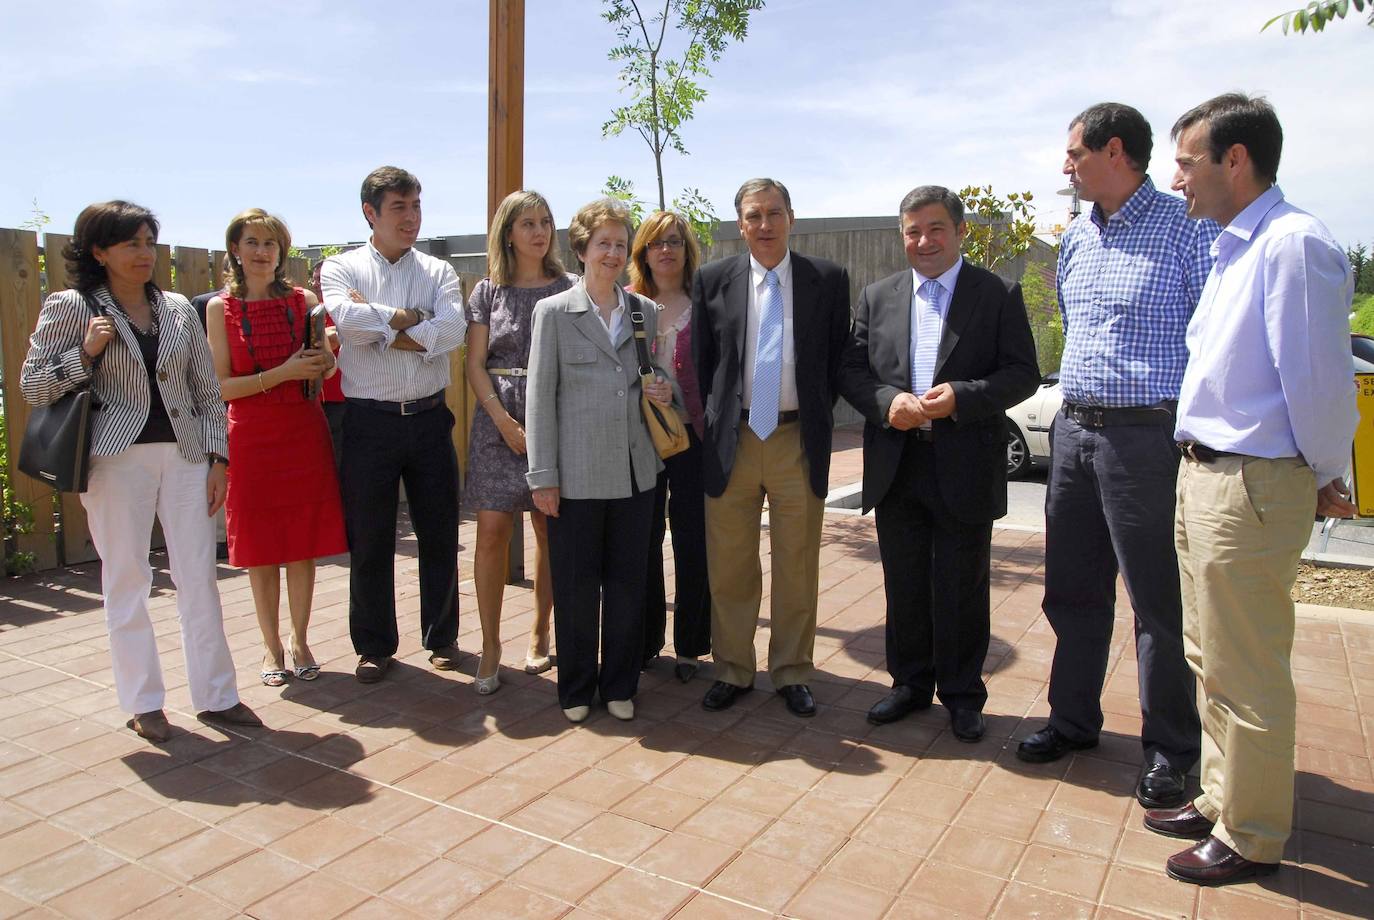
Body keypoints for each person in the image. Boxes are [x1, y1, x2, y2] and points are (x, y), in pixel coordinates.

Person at [1140, 93, 1358, 885]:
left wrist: (1327, 468)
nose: (1177, 179)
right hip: (1204, 477)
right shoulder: (1236, 247)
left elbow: (1319, 380)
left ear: (1237, 160)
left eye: (1187, 161)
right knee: (1210, 655)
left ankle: (1253, 832)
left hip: (1251, 484)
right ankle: (1222, 795)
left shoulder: (1292, 246)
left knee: (1249, 666)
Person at [1017, 104, 1216, 812]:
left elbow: (1210, 335)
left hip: (1146, 438)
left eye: (1074, 153)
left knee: (1157, 603)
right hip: (1074, 433)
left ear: (1114, 150)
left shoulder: (1188, 229)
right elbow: (1077, 330)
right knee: (1071, 590)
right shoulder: (1076, 238)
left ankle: (1170, 750)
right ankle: (1072, 721)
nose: (1064, 165)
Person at [19, 200, 260, 742]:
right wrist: (85, 352)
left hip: (184, 455)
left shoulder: (176, 307)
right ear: (98, 250)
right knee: (127, 576)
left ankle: (217, 696)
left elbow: (204, 389)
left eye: (150, 242)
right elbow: (33, 385)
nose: (145, 254)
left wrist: (219, 458)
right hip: (113, 458)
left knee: (199, 574)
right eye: (131, 244)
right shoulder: (71, 306)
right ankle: (143, 701)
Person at [838, 186, 1039, 742]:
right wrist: (886, 403)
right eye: (912, 231)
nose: (923, 241)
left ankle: (963, 695)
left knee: (962, 585)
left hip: (964, 461)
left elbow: (1022, 372)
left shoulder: (996, 293)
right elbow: (852, 371)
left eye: (935, 229)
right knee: (903, 583)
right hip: (897, 464)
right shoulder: (878, 296)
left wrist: (963, 397)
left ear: (959, 232)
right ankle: (908, 684)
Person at [692, 178, 851, 718]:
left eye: (774, 213)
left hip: (795, 439)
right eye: (754, 215)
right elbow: (706, 363)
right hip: (732, 440)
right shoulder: (712, 280)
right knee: (730, 564)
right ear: (740, 223)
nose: (764, 225)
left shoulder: (827, 280)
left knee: (796, 562)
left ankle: (791, 672)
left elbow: (832, 363)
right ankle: (733, 668)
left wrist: (805, 414)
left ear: (791, 217)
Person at [525, 198, 675, 723]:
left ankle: (620, 684)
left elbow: (658, 378)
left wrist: (663, 389)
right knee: (575, 586)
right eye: (603, 243)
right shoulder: (554, 313)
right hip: (575, 477)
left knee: (630, 583)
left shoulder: (643, 310)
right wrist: (542, 477)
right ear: (583, 248)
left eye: (619, 243)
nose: (612, 253)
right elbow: (539, 399)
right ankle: (576, 689)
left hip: (637, 475)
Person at [320, 166, 468, 684]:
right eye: (399, 207)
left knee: (440, 532)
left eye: (416, 205)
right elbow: (344, 319)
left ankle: (443, 637)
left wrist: (380, 323)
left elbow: (452, 331)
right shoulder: (340, 268)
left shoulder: (439, 273)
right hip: (368, 423)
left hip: (428, 419)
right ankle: (374, 645)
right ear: (371, 213)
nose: (412, 217)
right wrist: (409, 319)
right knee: (371, 538)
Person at [205, 209, 347, 687]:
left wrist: (324, 362)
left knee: (301, 545)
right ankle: (271, 648)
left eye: (270, 243)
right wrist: (282, 374)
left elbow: (322, 370)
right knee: (261, 550)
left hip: (303, 431)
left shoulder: (304, 301)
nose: (262, 252)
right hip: (250, 437)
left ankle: (301, 639)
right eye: (252, 242)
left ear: (281, 251)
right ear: (235, 250)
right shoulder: (217, 308)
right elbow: (222, 387)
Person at [464, 190, 573, 694]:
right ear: (508, 233)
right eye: (527, 223)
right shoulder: (487, 291)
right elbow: (474, 364)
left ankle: (540, 630)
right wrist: (504, 421)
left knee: (550, 531)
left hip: (554, 415)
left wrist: (546, 421)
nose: (539, 231)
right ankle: (489, 645)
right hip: (496, 419)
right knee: (490, 532)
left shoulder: (570, 287)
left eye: (546, 222)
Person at [628, 211, 711, 683]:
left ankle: (692, 646)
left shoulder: (706, 304)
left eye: (675, 242)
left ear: (687, 250)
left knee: (693, 540)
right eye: (657, 243)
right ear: (643, 251)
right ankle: (645, 639)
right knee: (643, 542)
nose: (667, 250)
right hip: (640, 441)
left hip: (693, 439)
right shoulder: (628, 304)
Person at [307, 259, 347, 472]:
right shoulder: (311, 314)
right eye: (315, 280)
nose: (318, 285)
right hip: (317, 402)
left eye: (323, 280)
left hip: (346, 402)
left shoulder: (346, 311)